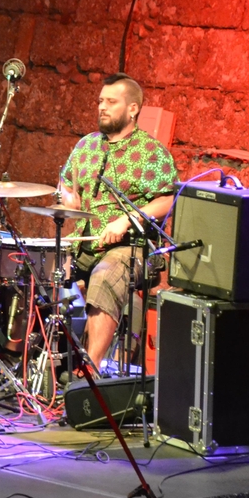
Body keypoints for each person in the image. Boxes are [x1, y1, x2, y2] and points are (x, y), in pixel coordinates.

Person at [60, 73, 178, 375]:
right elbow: (66, 184)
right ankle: (45, 364)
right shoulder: (86, 145)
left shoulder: (151, 152)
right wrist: (68, 196)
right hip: (85, 244)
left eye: (111, 102)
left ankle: (89, 371)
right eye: (101, 101)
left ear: (132, 109)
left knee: (104, 276)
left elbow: (168, 200)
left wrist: (127, 219)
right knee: (40, 272)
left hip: (131, 248)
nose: (102, 107)